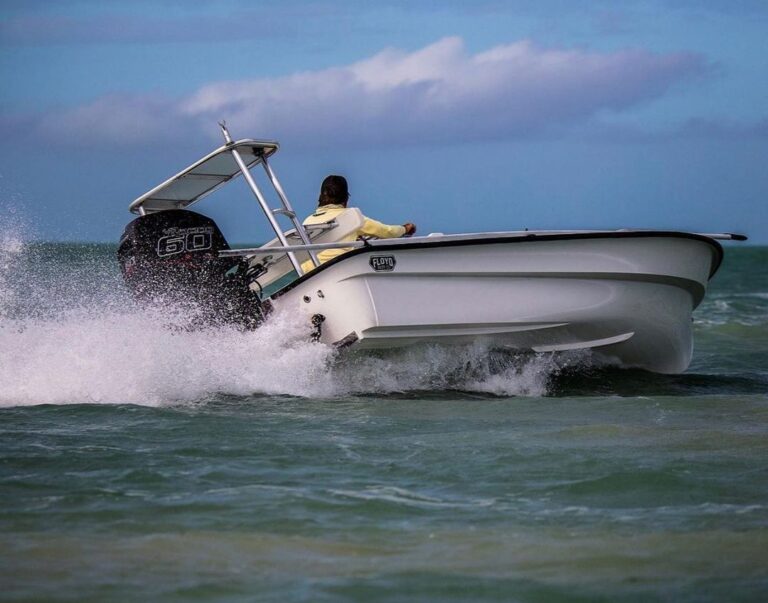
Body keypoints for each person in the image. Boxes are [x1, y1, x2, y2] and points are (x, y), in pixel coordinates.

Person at [300, 175, 416, 272]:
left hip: (306, 274)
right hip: (333, 270)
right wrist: (405, 228)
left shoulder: (307, 221)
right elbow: (387, 232)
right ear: (346, 198)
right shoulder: (352, 218)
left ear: (320, 197)